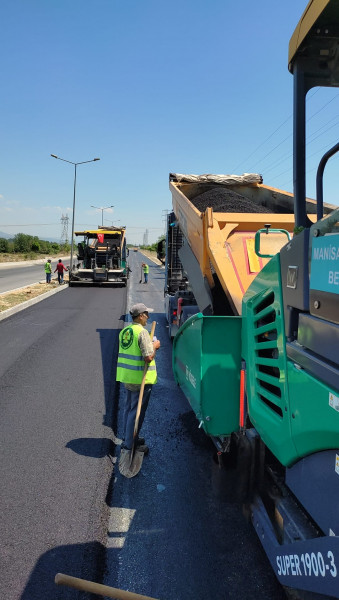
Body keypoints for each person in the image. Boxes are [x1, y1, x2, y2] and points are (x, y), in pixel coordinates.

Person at [116, 303, 160, 455]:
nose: (148, 317)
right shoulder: (141, 333)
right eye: (146, 314)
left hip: (127, 377)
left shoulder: (125, 331)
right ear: (140, 316)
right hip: (140, 379)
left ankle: (129, 437)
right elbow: (148, 357)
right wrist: (155, 346)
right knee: (136, 413)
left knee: (129, 410)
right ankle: (129, 445)